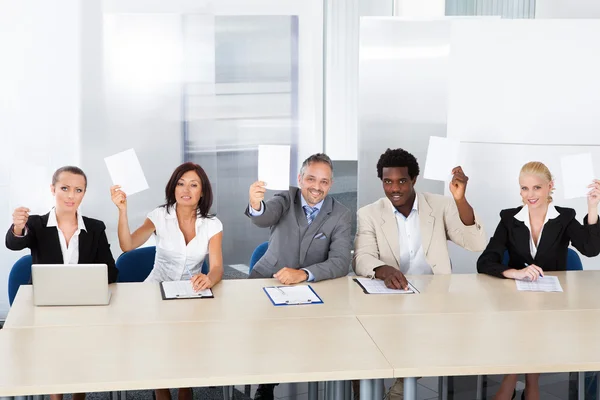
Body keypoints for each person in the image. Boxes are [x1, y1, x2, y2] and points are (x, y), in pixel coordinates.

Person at [353, 148, 487, 400]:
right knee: (363, 346)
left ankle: (400, 390)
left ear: (414, 180)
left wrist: (460, 200)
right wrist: (384, 270)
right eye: (388, 182)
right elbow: (362, 258)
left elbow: (476, 243)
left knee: (430, 341)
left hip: (433, 301)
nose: (395, 188)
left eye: (402, 181)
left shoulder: (440, 205)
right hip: (388, 299)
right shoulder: (369, 213)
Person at [477, 161, 600, 400]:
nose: (530, 195)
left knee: (535, 322)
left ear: (549, 187)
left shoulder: (564, 218)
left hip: (551, 302)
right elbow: (485, 261)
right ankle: (529, 386)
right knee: (525, 321)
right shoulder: (509, 219)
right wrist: (514, 272)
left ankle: (511, 382)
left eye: (536, 188)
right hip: (515, 300)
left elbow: (591, 249)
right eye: (524, 188)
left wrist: (593, 207)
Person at [110, 162, 223, 400]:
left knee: (188, 350)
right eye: (181, 184)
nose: (186, 189)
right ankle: (160, 386)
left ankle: (185, 386)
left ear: (202, 192)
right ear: (173, 188)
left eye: (194, 185)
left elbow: (216, 268)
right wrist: (122, 211)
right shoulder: (159, 216)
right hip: (156, 293)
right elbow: (127, 245)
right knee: (158, 349)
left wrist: (208, 279)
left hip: (191, 294)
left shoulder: (212, 224)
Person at [6, 165, 118, 400]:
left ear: (84, 194)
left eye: (78, 190)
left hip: (84, 307)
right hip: (46, 307)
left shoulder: (95, 227)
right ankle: (55, 397)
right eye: (65, 188)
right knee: (51, 347)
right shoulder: (35, 224)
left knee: (81, 348)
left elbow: (110, 273)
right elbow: (13, 244)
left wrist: (86, 281)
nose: (71, 196)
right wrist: (17, 226)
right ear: (53, 189)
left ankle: (79, 395)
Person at [246, 153, 352, 399]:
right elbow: (264, 217)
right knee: (265, 331)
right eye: (311, 179)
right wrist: (255, 203)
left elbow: (340, 262)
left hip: (312, 288)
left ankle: (312, 375)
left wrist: (304, 274)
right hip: (267, 280)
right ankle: (266, 383)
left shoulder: (340, 214)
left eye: (324, 182)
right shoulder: (286, 198)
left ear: (331, 184)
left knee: (316, 335)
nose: (316, 187)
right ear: (300, 178)